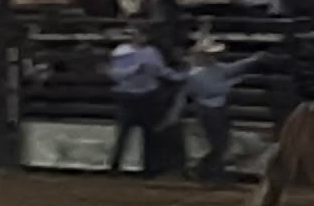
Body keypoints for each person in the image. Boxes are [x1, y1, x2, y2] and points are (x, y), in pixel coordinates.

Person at [170, 38, 266, 185]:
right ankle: (210, 172)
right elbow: (211, 91)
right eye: (209, 54)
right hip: (208, 110)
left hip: (218, 109)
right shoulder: (195, 75)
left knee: (222, 143)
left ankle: (203, 170)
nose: (213, 57)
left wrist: (252, 61)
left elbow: (233, 69)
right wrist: (234, 81)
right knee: (219, 144)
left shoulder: (214, 69)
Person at [107, 26, 184, 175]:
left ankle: (150, 167)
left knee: (150, 134)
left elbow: (161, 71)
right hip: (128, 96)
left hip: (148, 96)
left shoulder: (152, 52)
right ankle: (115, 165)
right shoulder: (121, 52)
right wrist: (136, 69)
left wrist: (178, 76)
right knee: (123, 134)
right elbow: (115, 74)